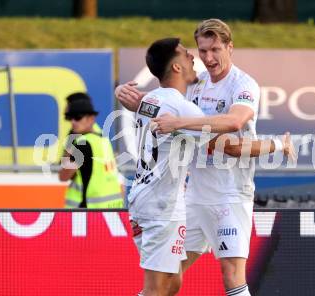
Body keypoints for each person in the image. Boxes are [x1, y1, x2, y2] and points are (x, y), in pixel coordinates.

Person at [116, 20, 294, 296]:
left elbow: (234, 126)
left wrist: (176, 123)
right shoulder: (195, 86)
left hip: (229, 194)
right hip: (190, 197)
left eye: (215, 50)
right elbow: (168, 106)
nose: (208, 58)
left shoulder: (244, 85)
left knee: (231, 275)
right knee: (166, 282)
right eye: (201, 51)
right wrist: (130, 97)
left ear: (229, 47)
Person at [127, 37, 208, 296]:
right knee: (157, 289)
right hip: (162, 207)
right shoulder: (181, 108)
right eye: (186, 54)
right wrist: (272, 145)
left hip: (145, 198)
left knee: (172, 283)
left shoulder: (150, 100)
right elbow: (226, 146)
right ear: (175, 67)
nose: (193, 57)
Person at [58, 97, 124, 208]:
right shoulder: (103, 138)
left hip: (88, 211)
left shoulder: (81, 143)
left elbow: (63, 176)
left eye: (78, 117)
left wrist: (68, 149)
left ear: (91, 118)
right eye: (70, 118)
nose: (73, 122)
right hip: (113, 207)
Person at [61, 92, 103, 208]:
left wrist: (68, 154)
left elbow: (64, 174)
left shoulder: (78, 138)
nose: (65, 109)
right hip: (105, 204)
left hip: (86, 205)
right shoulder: (98, 133)